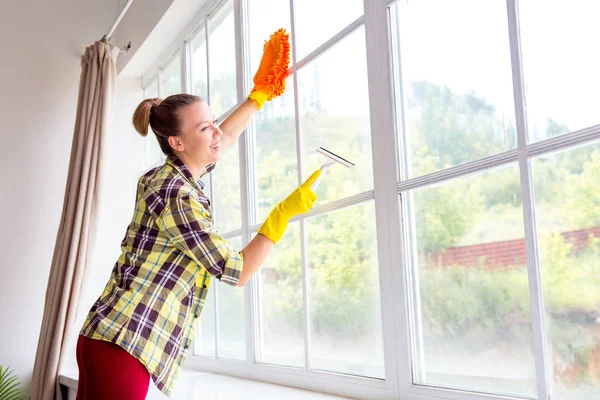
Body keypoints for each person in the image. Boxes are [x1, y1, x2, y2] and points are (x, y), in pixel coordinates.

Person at [75, 29, 320, 399]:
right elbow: (235, 270)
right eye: (205, 126)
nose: (216, 131)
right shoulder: (176, 195)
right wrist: (280, 216)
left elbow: (227, 136)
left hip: (104, 337)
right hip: (124, 347)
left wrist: (260, 96)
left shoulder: (168, 177)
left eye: (213, 121)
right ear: (178, 142)